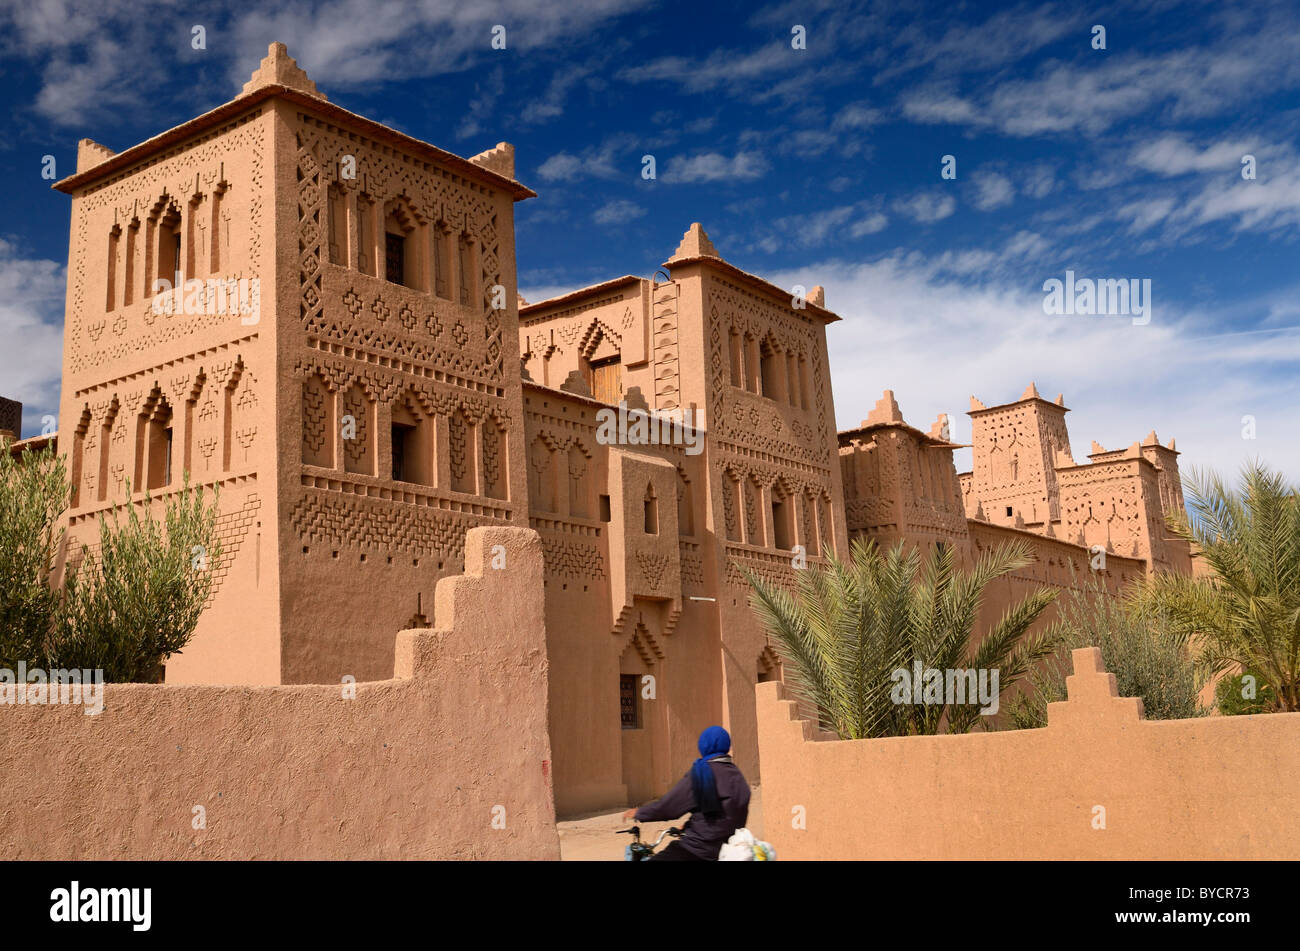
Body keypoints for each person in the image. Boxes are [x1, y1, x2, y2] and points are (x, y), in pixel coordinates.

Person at [621, 725, 751, 861]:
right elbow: (722, 813)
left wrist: (640, 812)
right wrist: (689, 824)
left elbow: (669, 807)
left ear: (703, 745)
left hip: (697, 850)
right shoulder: (737, 776)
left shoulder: (702, 773)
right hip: (727, 850)